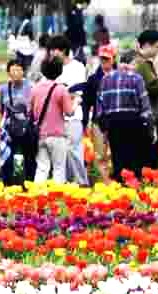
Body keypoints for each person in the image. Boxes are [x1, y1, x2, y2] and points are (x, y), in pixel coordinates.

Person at [96, 50, 152, 182]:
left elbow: (100, 107)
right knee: (134, 158)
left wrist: (104, 128)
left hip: (113, 123)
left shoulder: (105, 79)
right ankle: (133, 184)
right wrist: (148, 126)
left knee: (117, 157)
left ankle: (119, 185)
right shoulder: (136, 78)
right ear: (132, 62)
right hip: (133, 122)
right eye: (137, 63)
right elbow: (145, 105)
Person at [47, 35, 89, 185]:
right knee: (59, 154)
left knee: (74, 150)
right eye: (51, 50)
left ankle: (81, 183)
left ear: (64, 50)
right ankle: (64, 185)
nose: (52, 53)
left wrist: (62, 93)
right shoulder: (50, 67)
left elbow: (79, 92)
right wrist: (64, 92)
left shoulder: (77, 67)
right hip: (56, 117)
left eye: (55, 50)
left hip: (73, 115)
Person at [30, 57, 75, 183]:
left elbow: (30, 111)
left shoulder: (35, 88)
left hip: (40, 135)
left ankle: (37, 193)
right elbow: (69, 112)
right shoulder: (61, 89)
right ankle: (57, 193)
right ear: (59, 71)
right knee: (59, 168)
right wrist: (76, 102)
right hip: (57, 135)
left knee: (42, 168)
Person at [0, 59, 36, 185]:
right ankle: (14, 182)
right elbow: (0, 111)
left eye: (18, 70)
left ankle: (29, 182)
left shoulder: (31, 87)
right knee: (12, 157)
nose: (15, 73)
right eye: (13, 70)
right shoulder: (3, 89)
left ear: (23, 71)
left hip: (28, 129)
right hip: (11, 130)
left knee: (29, 157)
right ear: (8, 73)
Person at [136, 30, 158, 169]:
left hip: (150, 115)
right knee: (150, 158)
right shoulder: (142, 64)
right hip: (149, 117)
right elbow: (152, 87)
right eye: (157, 46)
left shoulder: (145, 63)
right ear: (146, 45)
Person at [83, 44, 116, 180]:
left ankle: (116, 182)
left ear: (113, 59)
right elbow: (86, 102)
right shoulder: (93, 79)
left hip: (116, 121)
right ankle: (105, 182)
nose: (104, 61)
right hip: (99, 121)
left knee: (116, 153)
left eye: (107, 59)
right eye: (102, 59)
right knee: (100, 155)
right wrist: (85, 121)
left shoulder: (121, 77)